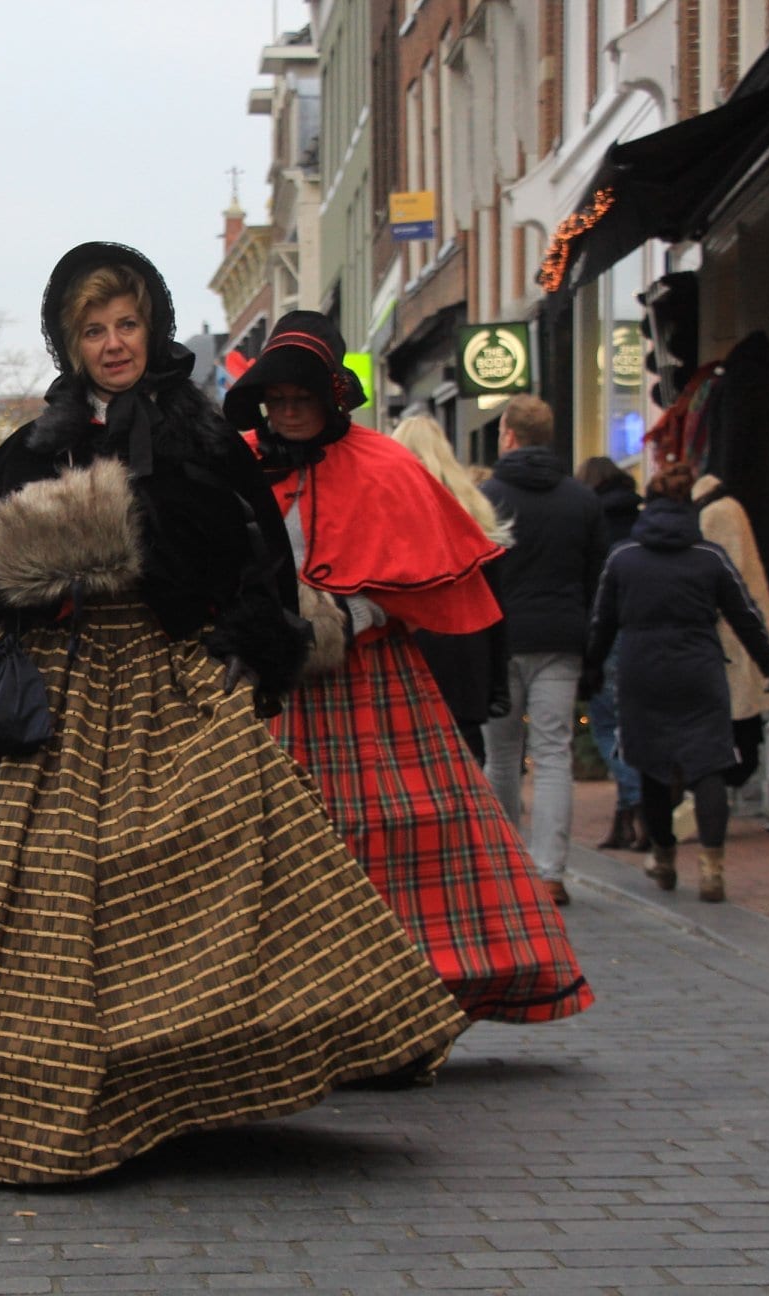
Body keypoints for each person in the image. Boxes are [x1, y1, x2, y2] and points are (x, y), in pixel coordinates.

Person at [0, 243, 467, 1185]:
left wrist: (237, 643)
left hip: (171, 686)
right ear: (70, 342)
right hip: (58, 689)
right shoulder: (40, 438)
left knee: (204, 877)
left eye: (126, 324)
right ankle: (31, 1082)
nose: (114, 343)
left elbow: (262, 568)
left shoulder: (201, 434)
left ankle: (190, 1080)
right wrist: (24, 586)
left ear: (152, 325)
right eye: (94, 329)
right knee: (39, 892)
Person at [227, 323, 590, 1027]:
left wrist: (343, 619)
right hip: (268, 686)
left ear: (331, 397)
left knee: (396, 828)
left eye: (303, 397)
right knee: (269, 840)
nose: (290, 411)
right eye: (278, 398)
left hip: (369, 682)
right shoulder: (238, 467)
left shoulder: (385, 467)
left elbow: (413, 581)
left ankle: (412, 984)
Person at [587, 462, 769, 902]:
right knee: (709, 764)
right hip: (699, 670)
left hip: (642, 671)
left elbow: (602, 621)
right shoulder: (709, 558)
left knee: (654, 767)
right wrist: (768, 662)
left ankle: (664, 857)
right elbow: (745, 614)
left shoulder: (624, 558)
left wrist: (592, 669)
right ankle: (712, 868)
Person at [480, 396, 608, 905]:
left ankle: (509, 864)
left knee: (502, 754)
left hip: (502, 637)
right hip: (560, 639)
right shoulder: (581, 500)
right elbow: (596, 577)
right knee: (554, 752)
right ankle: (550, 871)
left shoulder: (488, 497)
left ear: (508, 434)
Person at [392, 414, 513, 764]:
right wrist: (496, 685)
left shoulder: (390, 514)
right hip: (466, 664)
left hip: (409, 661)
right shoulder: (474, 515)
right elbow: (495, 611)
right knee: (468, 770)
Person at [575, 455, 648, 852]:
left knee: (605, 724)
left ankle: (637, 802)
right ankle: (627, 819)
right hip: (643, 632)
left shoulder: (589, 520)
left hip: (606, 630)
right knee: (630, 725)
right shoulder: (640, 519)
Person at [692, 470, 769, 792]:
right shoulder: (722, 509)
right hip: (730, 634)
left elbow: (729, 579)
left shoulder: (718, 513)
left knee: (734, 720)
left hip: (727, 635)